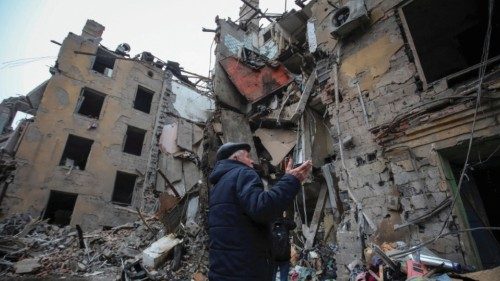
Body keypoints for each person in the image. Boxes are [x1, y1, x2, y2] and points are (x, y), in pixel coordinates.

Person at [208, 142, 312, 281]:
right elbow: (263, 209)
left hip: (222, 270)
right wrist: (291, 181)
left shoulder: (218, 185)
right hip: (246, 271)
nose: (252, 161)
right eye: (248, 156)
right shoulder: (242, 173)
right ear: (235, 159)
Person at [271, 211, 296, 281]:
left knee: (272, 277)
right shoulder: (285, 223)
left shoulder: (270, 223)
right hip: (284, 256)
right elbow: (294, 225)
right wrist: (286, 218)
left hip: (273, 256)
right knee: (284, 278)